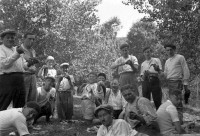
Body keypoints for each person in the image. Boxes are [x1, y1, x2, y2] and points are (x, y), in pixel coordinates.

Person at [0, 29, 38, 111]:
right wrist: (17, 53)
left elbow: (22, 66)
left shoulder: (16, 49)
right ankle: (2, 122)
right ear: (2, 39)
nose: (11, 39)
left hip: (20, 79)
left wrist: (29, 63)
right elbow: (3, 65)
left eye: (12, 37)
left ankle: (17, 122)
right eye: (8, 37)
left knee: (20, 104)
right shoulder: (1, 49)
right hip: (6, 79)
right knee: (3, 103)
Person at [163, 44, 190, 123]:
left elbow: (185, 70)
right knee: (171, 102)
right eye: (167, 50)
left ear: (174, 50)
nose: (169, 51)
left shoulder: (180, 57)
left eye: (171, 49)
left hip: (177, 81)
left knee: (177, 102)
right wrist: (158, 71)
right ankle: (174, 121)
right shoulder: (167, 61)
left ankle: (180, 122)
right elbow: (165, 74)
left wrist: (186, 85)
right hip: (169, 82)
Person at [22, 32, 38, 102]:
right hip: (24, 76)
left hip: (33, 76)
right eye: (29, 39)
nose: (31, 41)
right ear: (24, 39)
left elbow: (33, 64)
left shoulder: (33, 50)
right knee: (23, 99)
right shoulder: (18, 49)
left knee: (33, 98)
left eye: (33, 39)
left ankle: (31, 112)